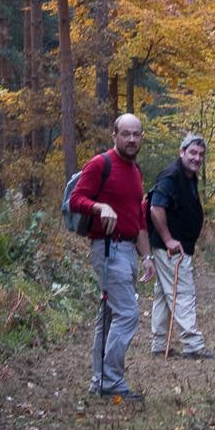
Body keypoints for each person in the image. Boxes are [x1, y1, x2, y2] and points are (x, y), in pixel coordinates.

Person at [67, 113, 155, 401]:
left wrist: (147, 257)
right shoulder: (100, 164)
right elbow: (76, 200)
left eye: (136, 134)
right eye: (126, 134)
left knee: (108, 317)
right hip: (106, 249)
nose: (131, 139)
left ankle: (100, 379)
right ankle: (112, 381)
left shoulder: (136, 171)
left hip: (128, 250)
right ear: (114, 135)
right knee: (127, 314)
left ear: (142, 137)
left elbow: (138, 217)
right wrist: (98, 208)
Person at [148, 133, 215, 360]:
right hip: (171, 248)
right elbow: (155, 208)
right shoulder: (171, 176)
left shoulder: (188, 177)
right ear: (182, 152)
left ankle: (159, 344)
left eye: (200, 154)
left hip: (176, 246)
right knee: (183, 293)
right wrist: (168, 239)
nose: (197, 158)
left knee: (164, 293)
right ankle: (193, 344)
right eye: (192, 153)